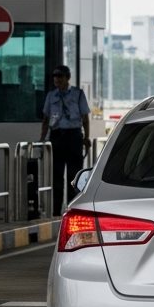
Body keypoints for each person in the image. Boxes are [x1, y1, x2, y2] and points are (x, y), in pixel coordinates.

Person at [39, 64, 91, 215]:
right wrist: (42, 140)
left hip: (74, 136)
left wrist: (86, 137)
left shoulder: (78, 94)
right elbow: (45, 119)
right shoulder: (51, 96)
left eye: (60, 76)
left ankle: (72, 209)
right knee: (56, 175)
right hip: (57, 136)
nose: (57, 80)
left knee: (74, 176)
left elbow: (85, 118)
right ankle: (56, 211)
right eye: (55, 77)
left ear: (67, 78)